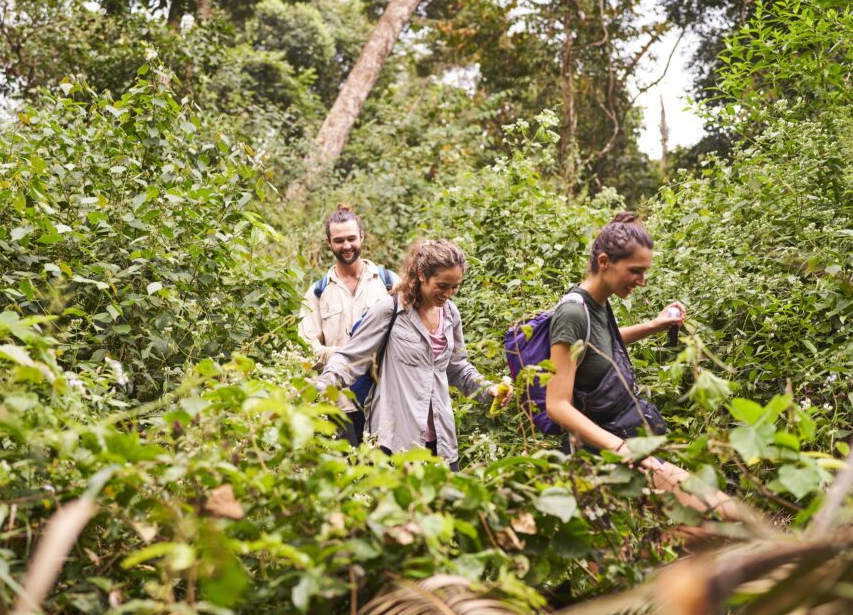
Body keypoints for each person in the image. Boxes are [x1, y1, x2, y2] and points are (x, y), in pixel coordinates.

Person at [543, 212, 739, 520]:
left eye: (645, 271)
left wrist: (655, 325)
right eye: (635, 271)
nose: (642, 281)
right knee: (720, 514)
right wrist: (622, 449)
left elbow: (598, 348)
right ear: (605, 262)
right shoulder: (572, 313)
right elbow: (556, 405)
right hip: (598, 458)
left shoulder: (598, 302)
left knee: (713, 520)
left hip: (623, 449)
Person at [315, 240, 513, 471]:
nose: (448, 294)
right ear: (420, 274)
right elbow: (350, 359)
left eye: (455, 286)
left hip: (441, 441)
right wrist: (319, 389)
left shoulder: (451, 314)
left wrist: (489, 390)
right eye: (442, 285)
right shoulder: (390, 311)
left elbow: (458, 368)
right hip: (394, 439)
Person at [299, 204, 398, 441]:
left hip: (384, 402)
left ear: (362, 237)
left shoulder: (389, 283)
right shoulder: (318, 292)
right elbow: (305, 347)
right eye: (339, 240)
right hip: (338, 404)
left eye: (352, 238)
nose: (346, 246)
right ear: (328, 243)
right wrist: (347, 355)